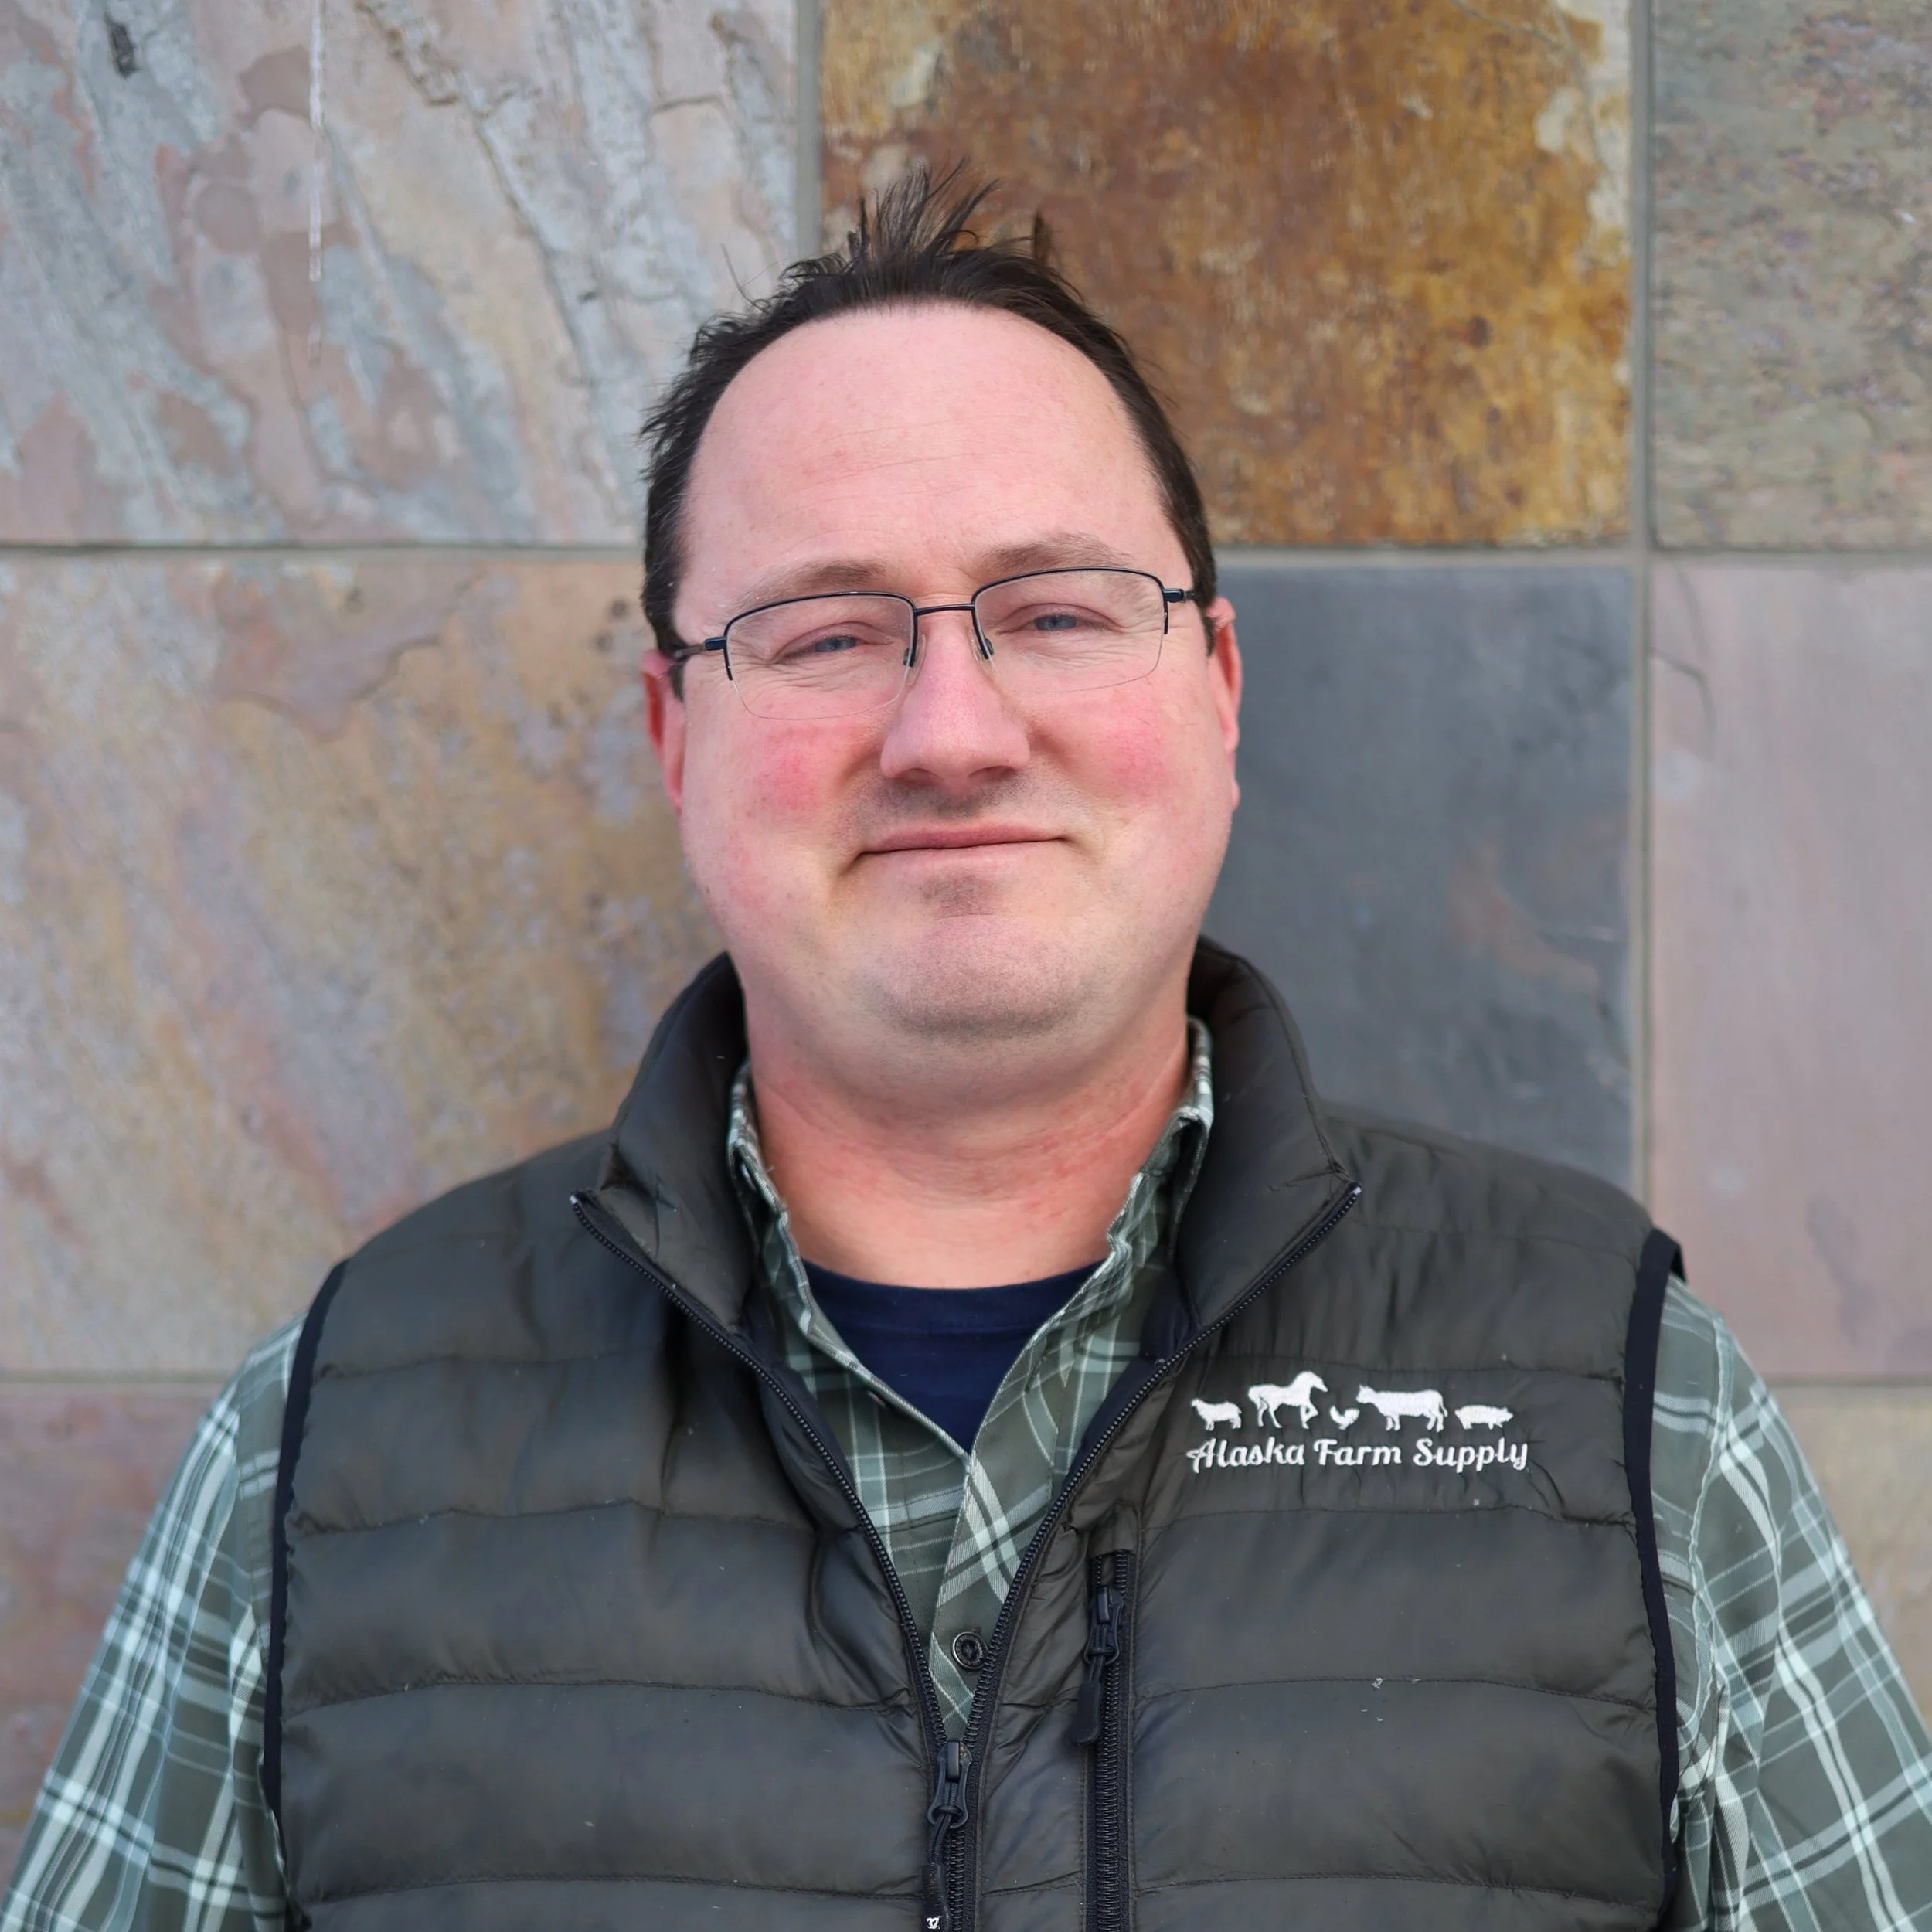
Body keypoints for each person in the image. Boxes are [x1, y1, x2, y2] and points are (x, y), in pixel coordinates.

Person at [6, 170, 1931, 1932]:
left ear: (1216, 691)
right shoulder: (329, 1440)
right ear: (674, 739)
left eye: (1053, 609)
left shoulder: (1630, 1412)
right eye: (827, 631)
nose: (949, 725)